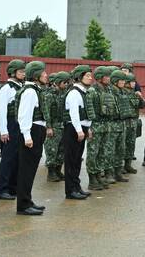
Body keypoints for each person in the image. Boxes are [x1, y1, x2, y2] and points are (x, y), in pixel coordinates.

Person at [16, 61, 48, 215]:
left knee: (31, 169)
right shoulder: (29, 91)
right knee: (26, 170)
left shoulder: (35, 89)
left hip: (37, 130)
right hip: (32, 131)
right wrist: (27, 136)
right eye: (43, 73)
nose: (46, 75)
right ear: (36, 75)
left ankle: (27, 200)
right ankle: (23, 205)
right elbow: (24, 115)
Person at [0, 59, 25, 201]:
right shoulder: (6, 89)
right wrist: (3, 131)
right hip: (10, 124)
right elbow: (1, 111)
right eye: (20, 71)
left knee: (17, 158)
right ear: (13, 72)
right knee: (7, 159)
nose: (23, 74)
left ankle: (13, 188)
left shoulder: (21, 87)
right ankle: (2, 189)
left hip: (19, 124)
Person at [63, 65, 93, 200]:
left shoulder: (84, 92)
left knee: (77, 160)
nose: (90, 78)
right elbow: (74, 114)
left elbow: (86, 113)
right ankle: (70, 191)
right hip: (74, 129)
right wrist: (79, 130)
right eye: (87, 75)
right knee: (71, 160)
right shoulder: (74, 93)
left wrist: (89, 128)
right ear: (79, 77)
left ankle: (76, 186)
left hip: (82, 128)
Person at [85, 66, 111, 189]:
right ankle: (92, 179)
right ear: (100, 78)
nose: (109, 78)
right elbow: (88, 111)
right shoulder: (92, 91)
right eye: (106, 76)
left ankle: (98, 176)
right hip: (95, 126)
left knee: (102, 153)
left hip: (105, 126)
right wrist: (88, 128)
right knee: (93, 153)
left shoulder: (106, 90)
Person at [43, 72, 68, 182]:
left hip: (62, 126)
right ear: (58, 83)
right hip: (53, 126)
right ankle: (51, 172)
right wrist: (48, 127)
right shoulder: (49, 95)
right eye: (64, 82)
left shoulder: (64, 94)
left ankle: (58, 170)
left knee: (61, 150)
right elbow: (46, 112)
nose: (66, 84)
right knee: (52, 150)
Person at [121, 72, 145, 173]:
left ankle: (128, 165)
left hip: (133, 123)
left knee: (131, 144)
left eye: (134, 82)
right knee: (122, 145)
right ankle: (120, 166)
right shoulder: (121, 93)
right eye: (132, 82)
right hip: (124, 123)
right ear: (126, 83)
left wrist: (140, 97)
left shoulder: (135, 94)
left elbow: (143, 105)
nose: (134, 84)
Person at [108, 70, 129, 183]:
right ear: (115, 81)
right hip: (113, 124)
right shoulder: (111, 92)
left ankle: (118, 173)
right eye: (121, 80)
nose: (123, 82)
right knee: (111, 150)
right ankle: (109, 173)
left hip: (122, 124)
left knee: (121, 150)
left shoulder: (123, 92)